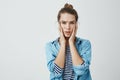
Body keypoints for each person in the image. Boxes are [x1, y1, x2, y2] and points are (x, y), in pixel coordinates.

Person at [45, 3, 92, 80]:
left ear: (76, 24)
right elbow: (57, 72)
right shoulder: (50, 46)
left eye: (71, 23)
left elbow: (81, 71)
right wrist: (63, 43)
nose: (68, 27)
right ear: (59, 24)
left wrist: (71, 43)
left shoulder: (85, 44)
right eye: (64, 22)